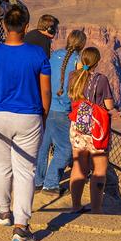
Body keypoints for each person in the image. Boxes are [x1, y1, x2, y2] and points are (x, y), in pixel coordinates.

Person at [0, 3, 51, 241]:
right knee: (25, 170)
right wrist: (43, 116)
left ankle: (3, 211)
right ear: (26, 26)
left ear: (5, 25)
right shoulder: (38, 55)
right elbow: (46, 91)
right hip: (29, 116)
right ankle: (21, 226)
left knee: (0, 165)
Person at [36, 29, 86, 194]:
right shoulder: (78, 62)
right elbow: (80, 85)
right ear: (82, 45)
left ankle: (37, 181)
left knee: (43, 145)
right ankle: (50, 184)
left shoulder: (54, 55)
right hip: (62, 109)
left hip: (46, 106)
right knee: (64, 149)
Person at [68, 47, 116, 214]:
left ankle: (75, 206)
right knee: (99, 169)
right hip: (96, 128)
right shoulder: (101, 79)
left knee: (78, 167)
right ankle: (96, 209)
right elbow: (109, 105)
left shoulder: (73, 76)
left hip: (78, 127)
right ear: (97, 61)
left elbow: (71, 97)